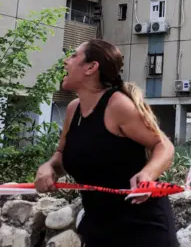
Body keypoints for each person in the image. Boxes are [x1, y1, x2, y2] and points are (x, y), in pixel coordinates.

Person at [34, 39, 178, 247]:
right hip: (98, 228)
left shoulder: (118, 105)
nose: (66, 61)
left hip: (143, 229)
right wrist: (48, 167)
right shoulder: (73, 109)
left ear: (92, 68)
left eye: (74, 56)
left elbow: (163, 145)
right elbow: (61, 158)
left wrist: (148, 174)